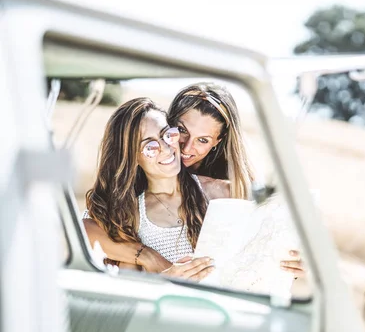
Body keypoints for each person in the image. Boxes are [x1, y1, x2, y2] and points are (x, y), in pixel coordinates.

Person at [167, 82, 305, 277]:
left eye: (203, 140)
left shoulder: (234, 187)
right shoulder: (145, 164)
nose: (187, 148)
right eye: (182, 130)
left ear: (218, 140)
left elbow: (259, 248)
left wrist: (292, 263)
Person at [83, 97, 214, 279]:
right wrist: (152, 260)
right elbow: (79, 229)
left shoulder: (216, 191)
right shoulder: (132, 215)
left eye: (167, 135)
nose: (166, 149)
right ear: (133, 157)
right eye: (150, 146)